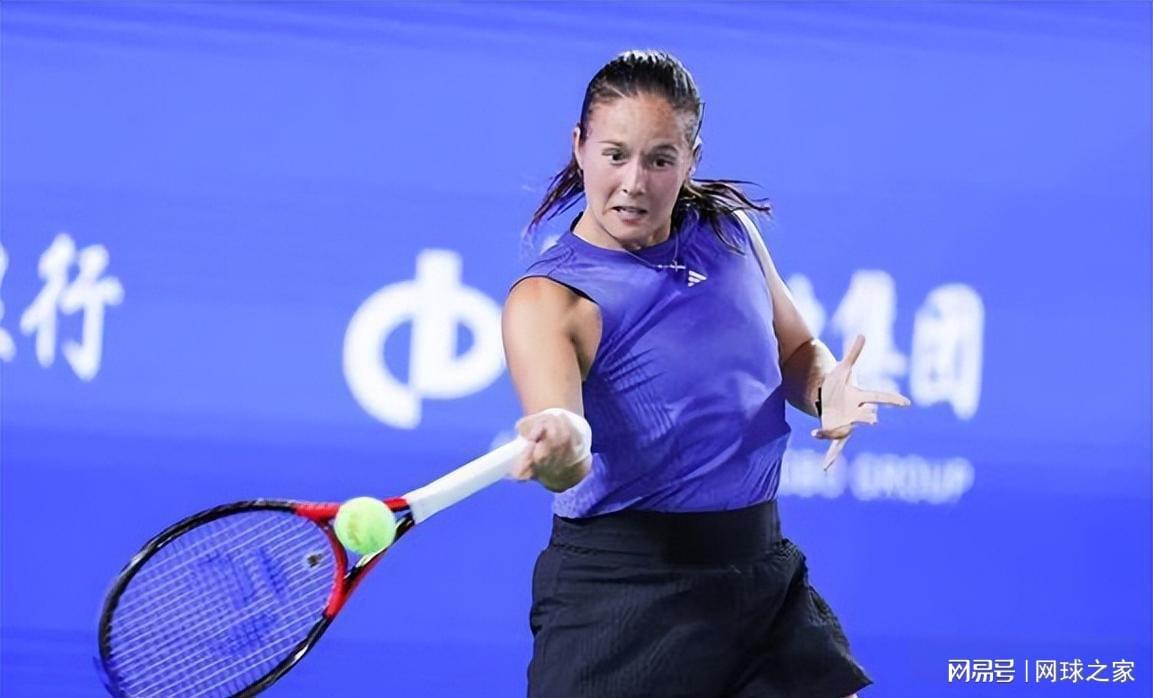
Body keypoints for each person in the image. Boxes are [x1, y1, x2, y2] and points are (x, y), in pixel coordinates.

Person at [502, 49, 909, 698]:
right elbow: (567, 451)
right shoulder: (550, 300)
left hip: (759, 574)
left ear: (691, 158)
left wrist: (825, 387)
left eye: (659, 159)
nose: (634, 182)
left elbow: (796, 349)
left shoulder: (727, 232)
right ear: (578, 147)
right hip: (624, 599)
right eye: (614, 155)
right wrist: (559, 446)